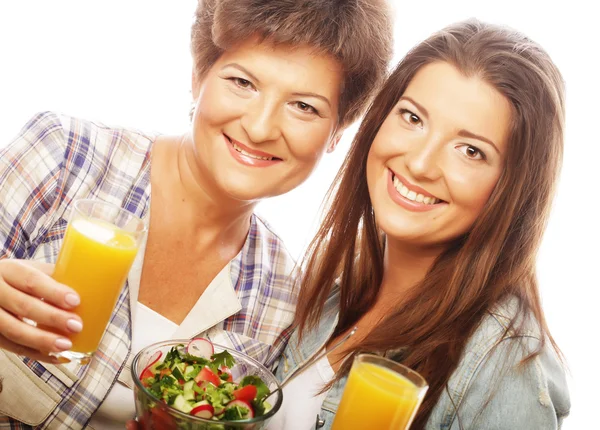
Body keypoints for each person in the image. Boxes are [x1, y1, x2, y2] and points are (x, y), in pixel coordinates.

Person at [0, 0, 394, 428]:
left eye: (304, 107)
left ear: (337, 132)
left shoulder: (282, 301)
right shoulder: (66, 157)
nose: (260, 127)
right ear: (197, 78)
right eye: (242, 82)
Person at [271, 19, 570, 430]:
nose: (420, 163)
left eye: (469, 150)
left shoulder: (501, 363)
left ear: (513, 189)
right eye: (413, 118)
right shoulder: (342, 286)